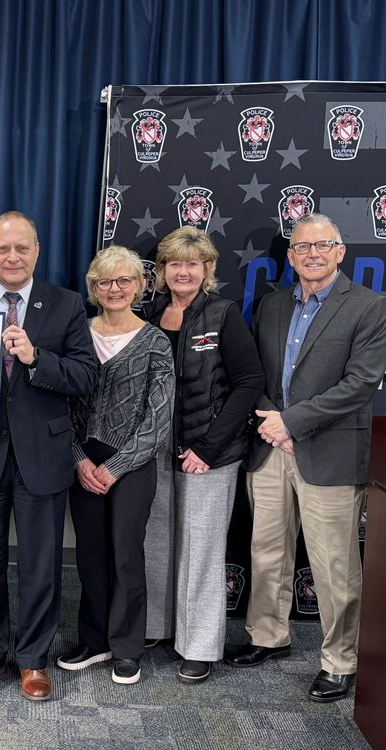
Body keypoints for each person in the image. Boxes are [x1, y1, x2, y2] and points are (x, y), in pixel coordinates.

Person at [224, 213, 386, 703]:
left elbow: (360, 385)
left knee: (335, 563)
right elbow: (260, 376)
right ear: (290, 256)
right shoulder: (272, 305)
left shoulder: (369, 307)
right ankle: (268, 636)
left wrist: (293, 423)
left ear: (340, 252)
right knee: (267, 549)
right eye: (301, 247)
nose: (311, 254)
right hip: (271, 445)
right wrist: (275, 420)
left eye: (323, 245)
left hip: (330, 450)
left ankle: (340, 661)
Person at [0, 211, 97, 701]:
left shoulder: (68, 304)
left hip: (43, 456)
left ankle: (33, 660)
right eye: (3, 249)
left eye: (22, 248)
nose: (12, 257)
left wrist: (36, 359)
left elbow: (85, 376)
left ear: (36, 251)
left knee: (40, 563)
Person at [141, 227, 263, 684]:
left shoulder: (223, 313)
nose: (183, 271)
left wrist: (208, 449)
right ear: (163, 271)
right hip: (156, 450)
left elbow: (249, 383)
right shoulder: (151, 313)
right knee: (156, 541)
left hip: (210, 453)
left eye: (193, 263)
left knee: (201, 549)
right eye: (175, 263)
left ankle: (199, 646)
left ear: (207, 269)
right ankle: (156, 626)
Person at [56, 246, 174, 685]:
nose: (114, 289)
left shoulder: (155, 341)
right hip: (83, 461)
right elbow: (61, 407)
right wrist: (79, 459)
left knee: (126, 553)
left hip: (132, 465)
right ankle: (94, 639)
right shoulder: (77, 335)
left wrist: (117, 465)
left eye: (124, 280)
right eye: (105, 282)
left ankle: (127, 645)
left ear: (139, 286)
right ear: (93, 289)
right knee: (89, 553)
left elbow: (158, 417)